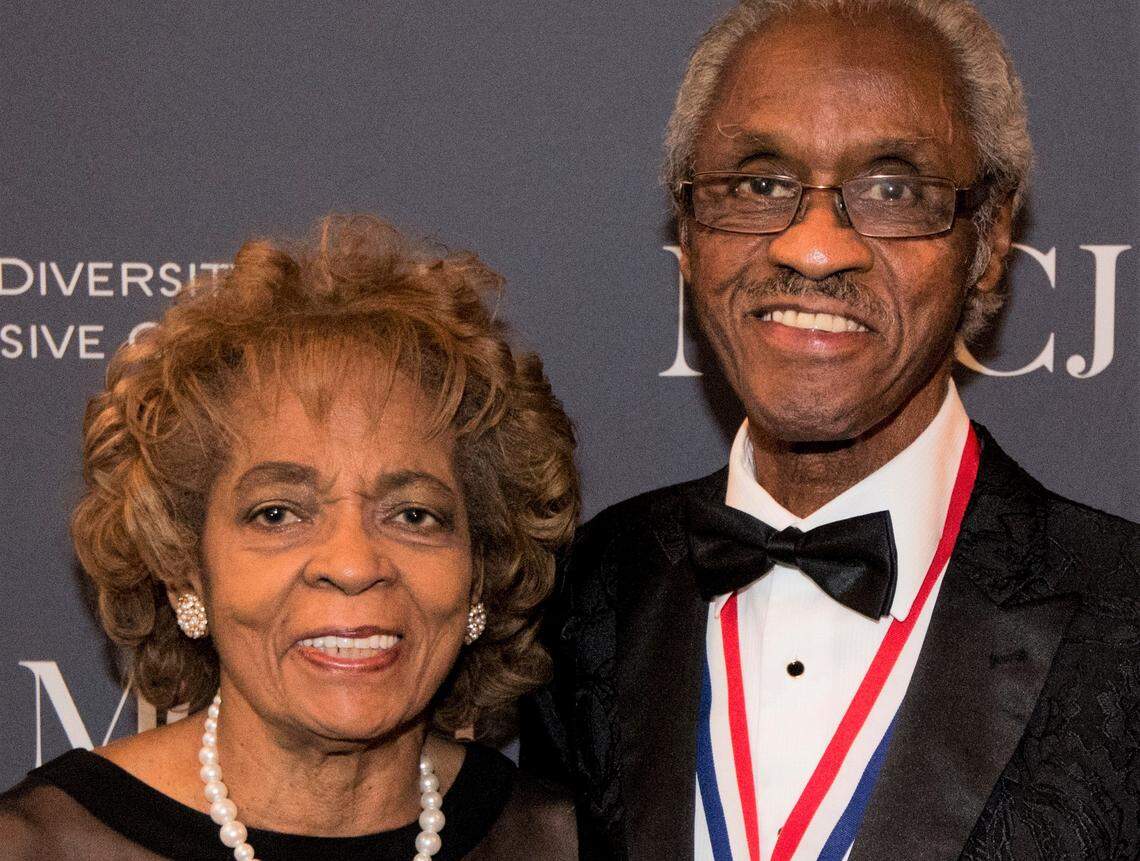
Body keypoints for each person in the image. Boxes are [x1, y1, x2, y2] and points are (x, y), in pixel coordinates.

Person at [522, 1, 1139, 859]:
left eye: (892, 190)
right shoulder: (582, 595)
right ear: (691, 231)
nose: (814, 249)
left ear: (990, 238)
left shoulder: (1124, 616)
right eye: (759, 184)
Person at [0, 215, 580, 860]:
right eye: (278, 513)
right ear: (184, 567)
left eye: (414, 514)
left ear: (480, 570)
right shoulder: (34, 845)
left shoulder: (562, 842)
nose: (354, 564)